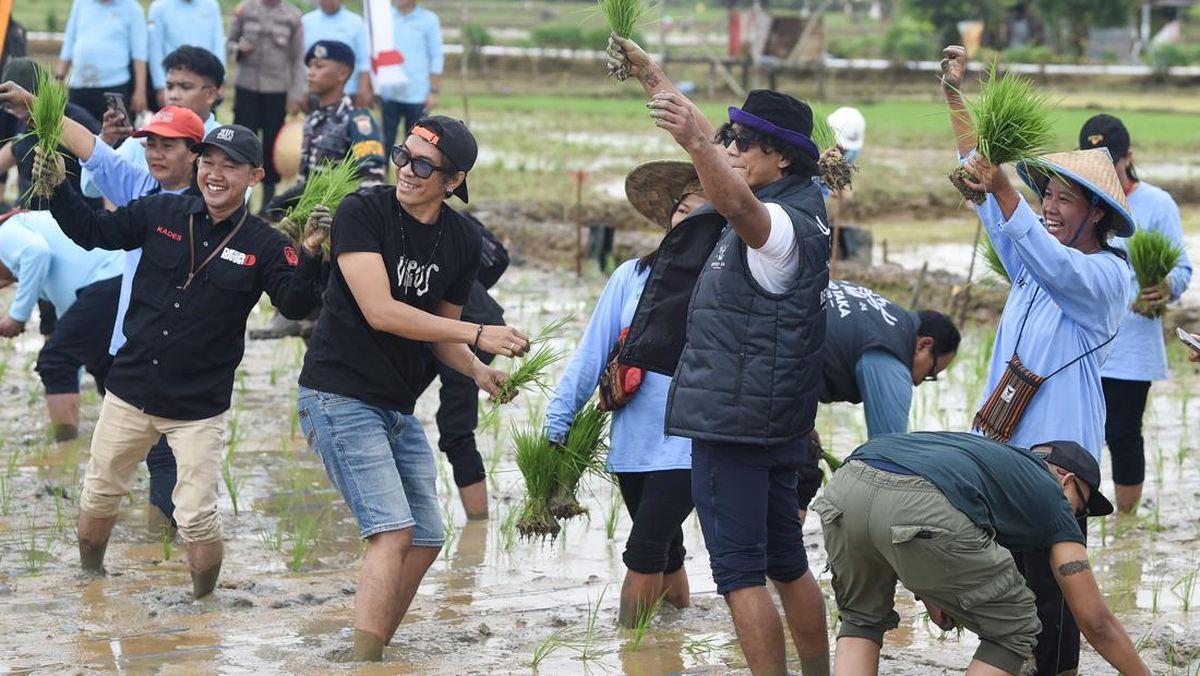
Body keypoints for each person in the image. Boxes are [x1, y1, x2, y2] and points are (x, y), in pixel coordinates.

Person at [610, 37, 832, 675]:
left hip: (733, 423)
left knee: (739, 573)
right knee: (786, 562)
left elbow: (733, 199)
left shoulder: (778, 227)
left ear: (779, 157)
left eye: (743, 143)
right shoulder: (806, 205)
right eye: (728, 139)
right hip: (773, 418)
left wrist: (696, 147)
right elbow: (724, 158)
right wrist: (653, 76)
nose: (730, 150)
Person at [35, 124, 327, 599]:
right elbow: (94, 233)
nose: (215, 173)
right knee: (98, 495)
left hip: (198, 407)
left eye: (230, 165)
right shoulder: (161, 210)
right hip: (129, 390)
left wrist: (310, 253)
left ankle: (201, 607)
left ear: (254, 175)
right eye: (208, 161)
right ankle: (90, 580)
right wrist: (60, 188)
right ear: (197, 164)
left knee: (196, 517)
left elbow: (294, 305)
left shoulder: (266, 244)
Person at [296, 116, 529, 662]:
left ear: (453, 180)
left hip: (396, 408)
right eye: (405, 156)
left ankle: (365, 650)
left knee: (426, 535)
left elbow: (438, 335)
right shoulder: (364, 211)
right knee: (393, 531)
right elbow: (381, 312)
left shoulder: (463, 239)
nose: (407, 170)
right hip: (338, 394)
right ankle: (366, 662)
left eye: (423, 164)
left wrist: (475, 369)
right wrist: (476, 331)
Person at [942, 45, 1135, 676]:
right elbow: (988, 199)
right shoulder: (1031, 272)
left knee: (1053, 603)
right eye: (1044, 195)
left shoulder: (1106, 277)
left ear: (1097, 212)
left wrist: (1002, 186)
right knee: (1010, 592)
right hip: (1005, 449)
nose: (1048, 207)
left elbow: (1054, 262)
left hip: (1059, 463)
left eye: (1063, 200)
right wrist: (956, 103)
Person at [812, 431, 1150, 676]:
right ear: (1067, 479)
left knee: (861, 619)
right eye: (1082, 505)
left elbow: (917, 504)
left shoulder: (992, 462)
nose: (1076, 516)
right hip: (918, 503)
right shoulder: (1051, 495)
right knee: (1016, 627)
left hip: (849, 484)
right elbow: (1096, 622)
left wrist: (936, 596)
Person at [546, 159, 706, 628]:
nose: (689, 220)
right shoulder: (631, 277)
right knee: (668, 551)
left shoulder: (728, 282)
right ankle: (673, 635)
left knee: (643, 552)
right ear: (669, 220)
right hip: (633, 444)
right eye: (683, 210)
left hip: (691, 444)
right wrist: (558, 423)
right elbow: (590, 353)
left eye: (706, 213)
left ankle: (630, 648)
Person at [1078, 114, 1193, 514]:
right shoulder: (1076, 202)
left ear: (1128, 157)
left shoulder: (1157, 204)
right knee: (1078, 435)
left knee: (1124, 433)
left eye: (1111, 162)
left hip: (1133, 342)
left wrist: (1165, 289)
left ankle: (1125, 521)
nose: (1104, 172)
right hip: (1084, 341)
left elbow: (1181, 268)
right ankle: (1075, 516)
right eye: (1093, 163)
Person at [252, 39, 386, 340]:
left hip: (341, 228)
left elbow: (372, 180)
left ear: (343, 74)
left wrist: (347, 223)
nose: (310, 72)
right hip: (314, 230)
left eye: (319, 66)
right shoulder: (313, 120)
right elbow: (307, 179)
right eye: (309, 66)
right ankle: (288, 314)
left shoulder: (358, 120)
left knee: (333, 317)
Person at [796, 282, 960, 519]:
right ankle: (775, 554)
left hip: (751, 333)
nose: (919, 382)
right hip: (764, 362)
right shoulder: (890, 358)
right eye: (930, 374)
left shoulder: (882, 312)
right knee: (799, 473)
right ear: (924, 344)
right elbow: (889, 457)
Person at [414, 211, 509, 519]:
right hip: (481, 321)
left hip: (470, 331)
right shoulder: (444, 221)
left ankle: (478, 524)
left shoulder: (387, 230)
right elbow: (499, 258)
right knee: (394, 403)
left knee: (456, 429)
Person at [0, 211, 124, 442]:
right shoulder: (54, 280)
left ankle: (65, 453)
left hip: (109, 279)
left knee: (54, 361)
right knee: (110, 373)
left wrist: (17, 316)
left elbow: (35, 253)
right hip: (115, 281)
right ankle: (139, 450)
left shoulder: (5, 232)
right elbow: (69, 336)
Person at [228, 0, 306, 209]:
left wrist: (296, 94)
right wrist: (239, 49)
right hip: (246, 88)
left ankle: (268, 203)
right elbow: (229, 43)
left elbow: (297, 60)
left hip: (276, 91)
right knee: (242, 146)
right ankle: (241, 201)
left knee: (272, 147)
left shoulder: (293, 16)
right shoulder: (244, 9)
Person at [0, 59, 102, 210]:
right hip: (26, 213)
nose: (17, 113)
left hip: (71, 216)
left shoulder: (75, 121)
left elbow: (105, 168)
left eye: (25, 105)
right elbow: (13, 149)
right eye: (9, 107)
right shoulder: (24, 121)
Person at [56, 0, 149, 123]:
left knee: (119, 135)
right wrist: (58, 80)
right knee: (77, 135)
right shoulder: (80, 3)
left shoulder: (132, 8)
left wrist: (140, 91)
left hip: (115, 87)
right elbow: (69, 42)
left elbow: (139, 54)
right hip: (79, 86)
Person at [379, 0, 444, 156]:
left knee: (415, 144)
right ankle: (381, 177)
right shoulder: (385, 18)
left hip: (416, 94)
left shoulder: (429, 20)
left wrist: (433, 91)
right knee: (385, 143)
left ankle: (410, 177)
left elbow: (436, 56)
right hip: (389, 93)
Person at [146, 0, 226, 110]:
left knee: (205, 122)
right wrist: (161, 87)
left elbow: (218, 44)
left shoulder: (211, 5)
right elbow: (155, 50)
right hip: (175, 82)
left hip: (204, 82)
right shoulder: (159, 7)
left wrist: (220, 81)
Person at [302, 0, 373, 108]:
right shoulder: (306, 22)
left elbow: (363, 61)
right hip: (314, 92)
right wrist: (301, 90)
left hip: (348, 92)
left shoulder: (356, 22)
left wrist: (364, 90)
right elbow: (299, 61)